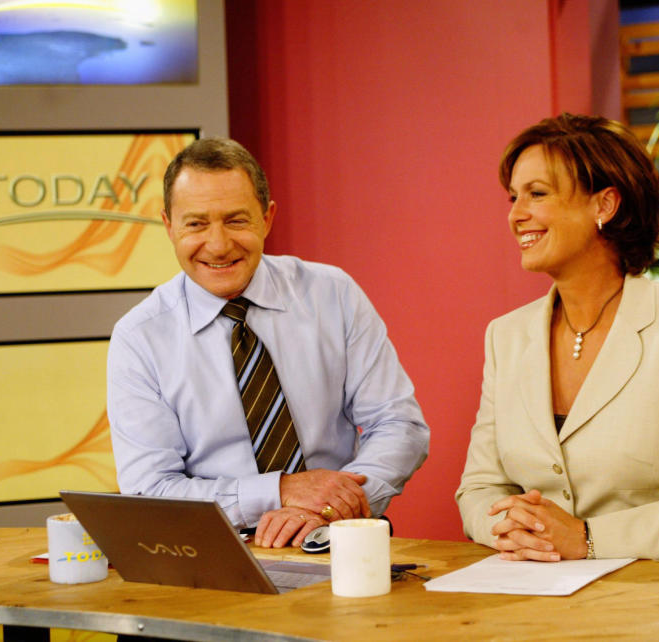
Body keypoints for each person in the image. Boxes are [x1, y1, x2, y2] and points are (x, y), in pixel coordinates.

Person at [455, 114, 659, 570]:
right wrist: (514, 529)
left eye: (537, 194)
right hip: (541, 596)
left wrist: (587, 538)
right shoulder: (505, 336)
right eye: (513, 196)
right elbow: (479, 488)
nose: (515, 214)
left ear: (604, 205)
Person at [107, 137, 429, 550]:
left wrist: (327, 506)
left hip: (343, 539)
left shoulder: (333, 293)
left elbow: (399, 424)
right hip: (213, 551)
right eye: (196, 223)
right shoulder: (140, 337)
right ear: (169, 226)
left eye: (236, 220)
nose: (219, 244)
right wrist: (281, 492)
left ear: (267, 217)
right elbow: (149, 490)